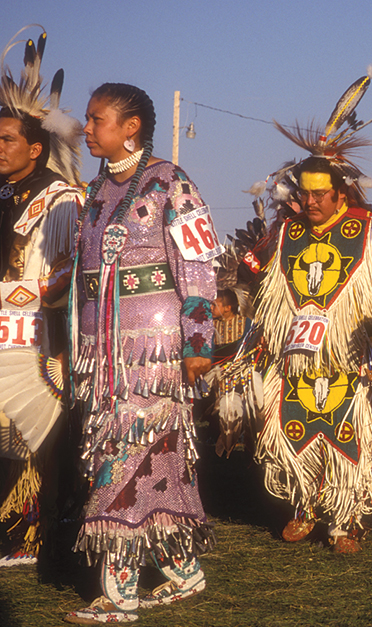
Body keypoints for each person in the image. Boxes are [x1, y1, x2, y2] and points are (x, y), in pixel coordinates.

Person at [251, 71, 372, 552]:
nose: (309, 202)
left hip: (353, 354)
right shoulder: (286, 233)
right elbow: (269, 294)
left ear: (340, 194)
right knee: (294, 429)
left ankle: (345, 521)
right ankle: (304, 505)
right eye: (303, 195)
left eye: (319, 195)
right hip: (297, 355)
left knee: (350, 434)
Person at [66, 83, 220, 623]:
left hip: (154, 352)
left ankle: (119, 594)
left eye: (95, 119)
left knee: (121, 461)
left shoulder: (170, 183)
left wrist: (199, 342)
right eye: (87, 119)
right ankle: (183, 573)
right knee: (158, 463)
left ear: (131, 126)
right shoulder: (95, 192)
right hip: (101, 353)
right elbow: (82, 280)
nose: (86, 128)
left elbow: (199, 266)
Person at [0, 25, 83, 568]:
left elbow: (69, 276)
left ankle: (35, 533)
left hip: (40, 340)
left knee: (37, 437)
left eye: (6, 140)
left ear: (36, 146)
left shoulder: (61, 200)